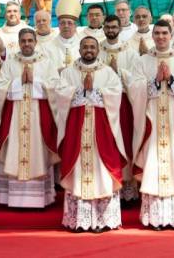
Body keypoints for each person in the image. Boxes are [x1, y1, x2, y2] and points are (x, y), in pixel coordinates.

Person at [128, 20, 174, 231]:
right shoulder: (142, 61)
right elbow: (134, 88)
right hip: (152, 124)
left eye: (164, 33)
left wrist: (170, 81)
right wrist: (152, 82)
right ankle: (156, 217)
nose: (160, 37)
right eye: (157, 33)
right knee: (154, 165)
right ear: (153, 36)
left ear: (171, 35)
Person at [55, 36, 126, 233]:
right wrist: (79, 92)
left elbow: (116, 93)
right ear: (79, 49)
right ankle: (78, 220)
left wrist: (95, 92)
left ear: (97, 50)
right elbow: (60, 94)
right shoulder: (69, 72)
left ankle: (103, 219)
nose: (88, 50)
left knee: (102, 171)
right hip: (77, 130)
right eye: (85, 47)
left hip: (101, 132)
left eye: (92, 47)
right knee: (78, 170)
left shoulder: (107, 72)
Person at [0, 28, 59, 208]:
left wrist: (36, 82)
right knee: (14, 151)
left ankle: (40, 200)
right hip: (15, 118)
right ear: (19, 42)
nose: (27, 44)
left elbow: (55, 86)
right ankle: (12, 199)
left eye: (30, 40)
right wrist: (17, 83)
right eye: (23, 41)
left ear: (35, 42)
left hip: (38, 118)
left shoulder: (46, 62)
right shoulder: (10, 63)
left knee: (38, 152)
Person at [98, 15, 141, 205]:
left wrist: (118, 72)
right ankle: (109, 185)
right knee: (108, 144)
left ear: (120, 29)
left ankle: (128, 190)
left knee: (124, 143)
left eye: (114, 27)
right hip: (103, 106)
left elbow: (137, 78)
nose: (110, 30)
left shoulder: (130, 52)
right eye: (107, 27)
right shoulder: (96, 49)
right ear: (103, 28)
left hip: (124, 104)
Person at [42, 0, 82, 72]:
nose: (66, 26)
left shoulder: (83, 46)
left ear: (75, 25)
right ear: (58, 25)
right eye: (62, 23)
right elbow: (44, 71)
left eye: (69, 23)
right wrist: (56, 72)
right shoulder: (47, 48)